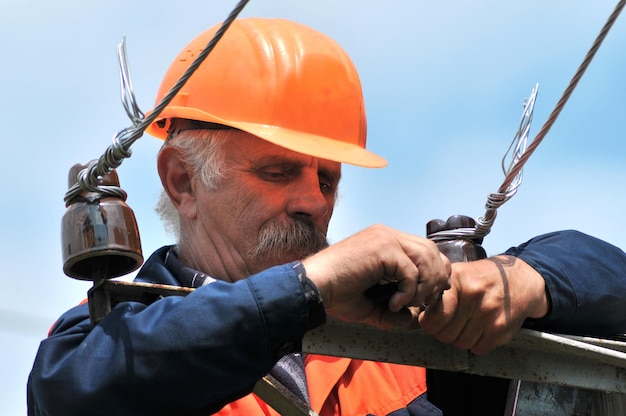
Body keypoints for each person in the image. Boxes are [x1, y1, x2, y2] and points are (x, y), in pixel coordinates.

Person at [28, 17, 626, 416]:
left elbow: (611, 283)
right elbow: (71, 391)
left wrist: (522, 279)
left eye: (327, 178)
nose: (313, 200)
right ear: (182, 180)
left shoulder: (402, 347)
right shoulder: (106, 340)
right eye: (276, 172)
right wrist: (306, 291)